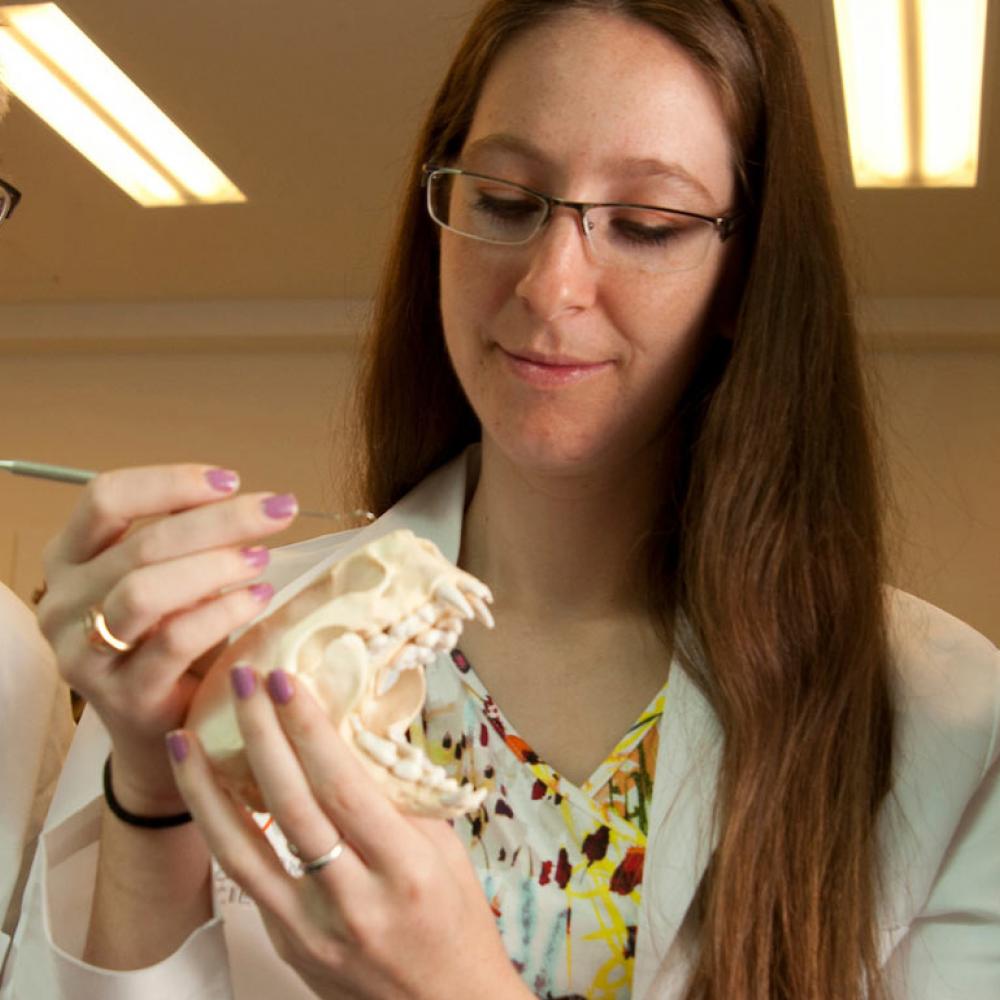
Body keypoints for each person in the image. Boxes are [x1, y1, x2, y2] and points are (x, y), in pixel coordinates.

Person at [3, 1, 998, 998]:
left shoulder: (947, 719)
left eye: (646, 225)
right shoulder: (232, 650)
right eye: (507, 202)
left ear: (743, 278)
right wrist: (150, 778)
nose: (551, 285)